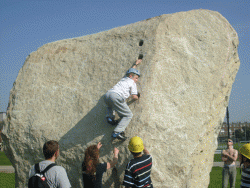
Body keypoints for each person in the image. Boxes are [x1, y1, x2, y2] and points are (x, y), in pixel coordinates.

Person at [104, 59, 142, 140]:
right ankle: (117, 132)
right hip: (116, 97)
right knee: (128, 115)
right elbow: (134, 96)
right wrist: (138, 97)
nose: (137, 80)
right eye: (136, 78)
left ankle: (110, 117)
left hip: (107, 95)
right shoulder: (132, 83)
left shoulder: (125, 78)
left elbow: (130, 71)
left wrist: (136, 63)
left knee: (111, 105)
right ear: (131, 77)